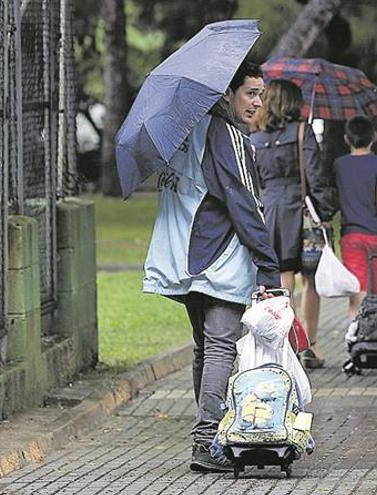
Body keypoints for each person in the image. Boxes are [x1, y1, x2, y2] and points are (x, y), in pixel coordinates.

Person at [141, 60, 282, 473]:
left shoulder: (185, 132)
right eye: (250, 93)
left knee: (206, 348)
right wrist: (268, 266)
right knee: (221, 345)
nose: (258, 102)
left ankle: (213, 433)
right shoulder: (228, 136)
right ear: (227, 94)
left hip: (182, 258)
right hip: (216, 257)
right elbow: (245, 204)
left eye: (261, 94)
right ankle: (206, 442)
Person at [250, 79, 337, 369]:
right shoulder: (302, 131)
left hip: (271, 211)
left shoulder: (255, 138)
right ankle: (310, 343)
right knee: (311, 278)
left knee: (283, 276)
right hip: (302, 210)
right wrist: (326, 212)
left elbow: (255, 181)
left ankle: (289, 341)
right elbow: (315, 175)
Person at [333, 115, 377, 320]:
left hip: (351, 236)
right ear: (374, 137)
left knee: (357, 290)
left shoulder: (339, 165)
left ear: (346, 139)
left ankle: (355, 335)